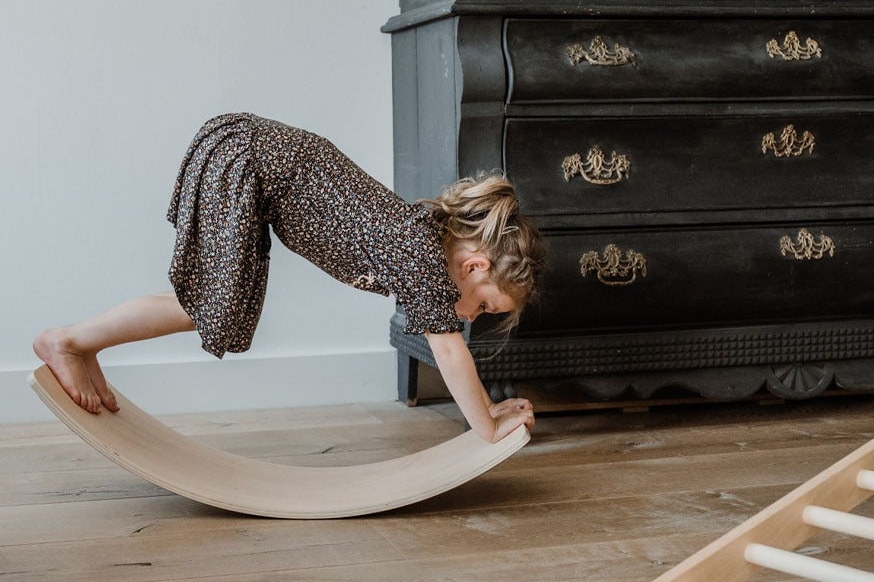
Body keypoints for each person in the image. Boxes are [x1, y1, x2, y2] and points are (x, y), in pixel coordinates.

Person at [34, 113, 544, 443]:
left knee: (210, 307)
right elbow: (449, 351)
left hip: (249, 162)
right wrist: (489, 424)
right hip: (246, 160)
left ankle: (84, 344)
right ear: (474, 266)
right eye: (484, 306)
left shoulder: (421, 240)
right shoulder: (424, 256)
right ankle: (69, 341)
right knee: (211, 308)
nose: (472, 317)